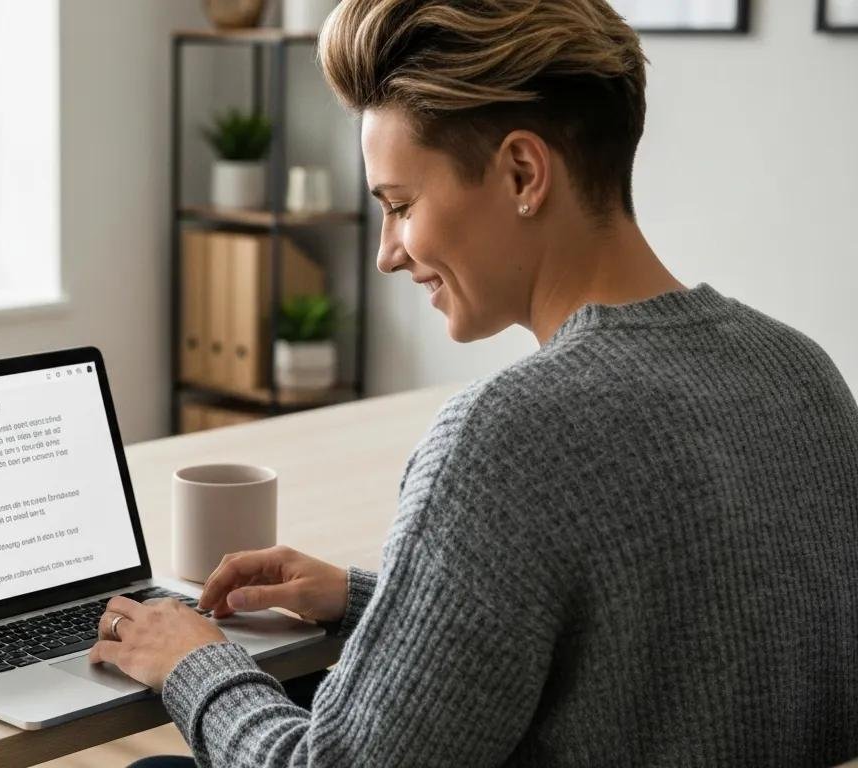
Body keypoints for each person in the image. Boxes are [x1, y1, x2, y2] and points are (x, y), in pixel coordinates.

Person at [88, 0, 858, 765]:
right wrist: (386, 601)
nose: (388, 252)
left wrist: (192, 660)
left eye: (401, 205)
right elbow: (675, 632)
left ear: (524, 172)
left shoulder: (511, 432)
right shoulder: (799, 370)